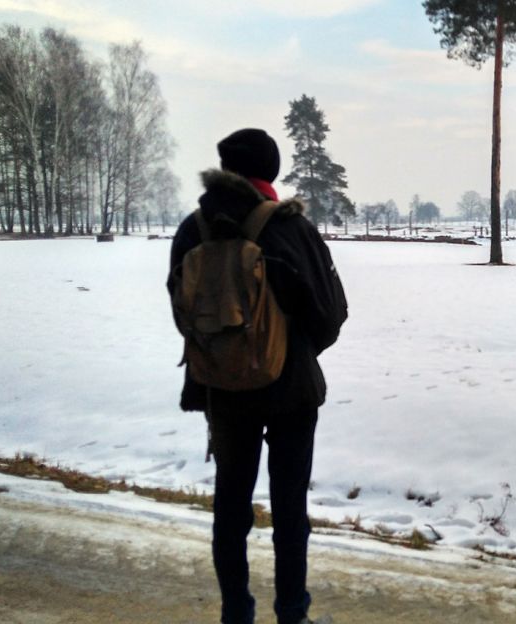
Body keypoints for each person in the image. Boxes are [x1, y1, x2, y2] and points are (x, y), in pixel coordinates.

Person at [167, 128, 348, 624]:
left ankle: (236, 615)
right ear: (270, 171)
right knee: (289, 511)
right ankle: (292, 614)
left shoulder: (193, 230)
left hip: (221, 391)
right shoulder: (290, 228)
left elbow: (181, 308)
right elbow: (329, 316)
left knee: (231, 506)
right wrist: (290, 345)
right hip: (290, 393)